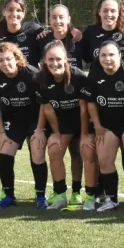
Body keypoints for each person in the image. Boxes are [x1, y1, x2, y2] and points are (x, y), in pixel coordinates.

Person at [85, 41, 124, 212]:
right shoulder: (95, 72)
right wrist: (97, 125)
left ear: (119, 56)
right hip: (106, 126)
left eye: (111, 55)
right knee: (105, 161)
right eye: (103, 55)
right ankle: (112, 199)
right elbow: (90, 101)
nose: (107, 58)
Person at [0, 42, 47, 209]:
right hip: (13, 120)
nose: (5, 63)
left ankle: (40, 196)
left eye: (8, 59)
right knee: (5, 152)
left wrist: (40, 129)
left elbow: (44, 105)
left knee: (37, 151)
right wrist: (1, 132)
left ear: (17, 58)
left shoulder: (33, 75)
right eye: (0, 60)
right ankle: (8, 196)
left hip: (35, 119)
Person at [36, 39, 90, 210]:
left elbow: (84, 109)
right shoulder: (41, 78)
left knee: (79, 152)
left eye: (58, 59)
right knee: (54, 148)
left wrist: (83, 134)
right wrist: (57, 133)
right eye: (50, 59)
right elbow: (47, 108)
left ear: (66, 58)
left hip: (82, 120)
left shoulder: (78, 77)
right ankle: (60, 193)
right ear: (45, 60)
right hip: (63, 122)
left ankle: (77, 193)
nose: (55, 63)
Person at [74, 0, 124, 69]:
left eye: (113, 11)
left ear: (119, 12)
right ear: (99, 12)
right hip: (98, 77)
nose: (109, 14)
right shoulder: (90, 33)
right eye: (105, 11)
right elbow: (77, 53)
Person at [0, 0, 46, 67]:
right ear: (4, 12)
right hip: (5, 74)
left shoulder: (34, 30)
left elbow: (50, 44)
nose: (14, 14)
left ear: (23, 13)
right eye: (10, 10)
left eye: (18, 10)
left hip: (31, 73)